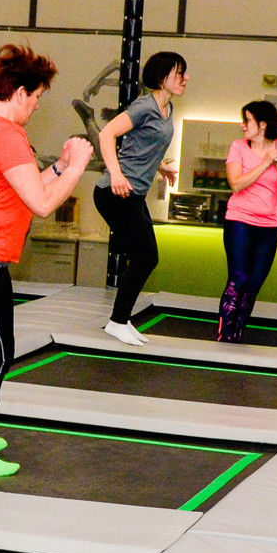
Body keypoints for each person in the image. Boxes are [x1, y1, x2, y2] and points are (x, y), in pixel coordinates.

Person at [0, 47, 93, 478]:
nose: (38, 105)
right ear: (21, 92)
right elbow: (43, 205)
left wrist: (61, 166)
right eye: (38, 97)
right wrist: (78, 168)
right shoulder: (5, 134)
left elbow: (24, 190)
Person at [93, 51, 186, 346]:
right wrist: (117, 174)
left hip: (132, 194)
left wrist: (160, 166)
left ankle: (121, 319)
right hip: (114, 192)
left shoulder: (167, 109)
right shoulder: (145, 106)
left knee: (144, 256)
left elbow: (141, 144)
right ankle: (118, 321)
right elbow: (107, 134)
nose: (185, 78)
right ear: (162, 78)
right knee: (146, 256)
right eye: (179, 73)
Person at [219, 100, 277, 343]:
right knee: (238, 278)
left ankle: (238, 332)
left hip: (268, 226)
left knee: (254, 283)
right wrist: (265, 163)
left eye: (248, 121)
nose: (243, 126)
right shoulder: (238, 148)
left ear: (262, 125)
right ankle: (226, 335)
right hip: (239, 221)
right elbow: (236, 183)